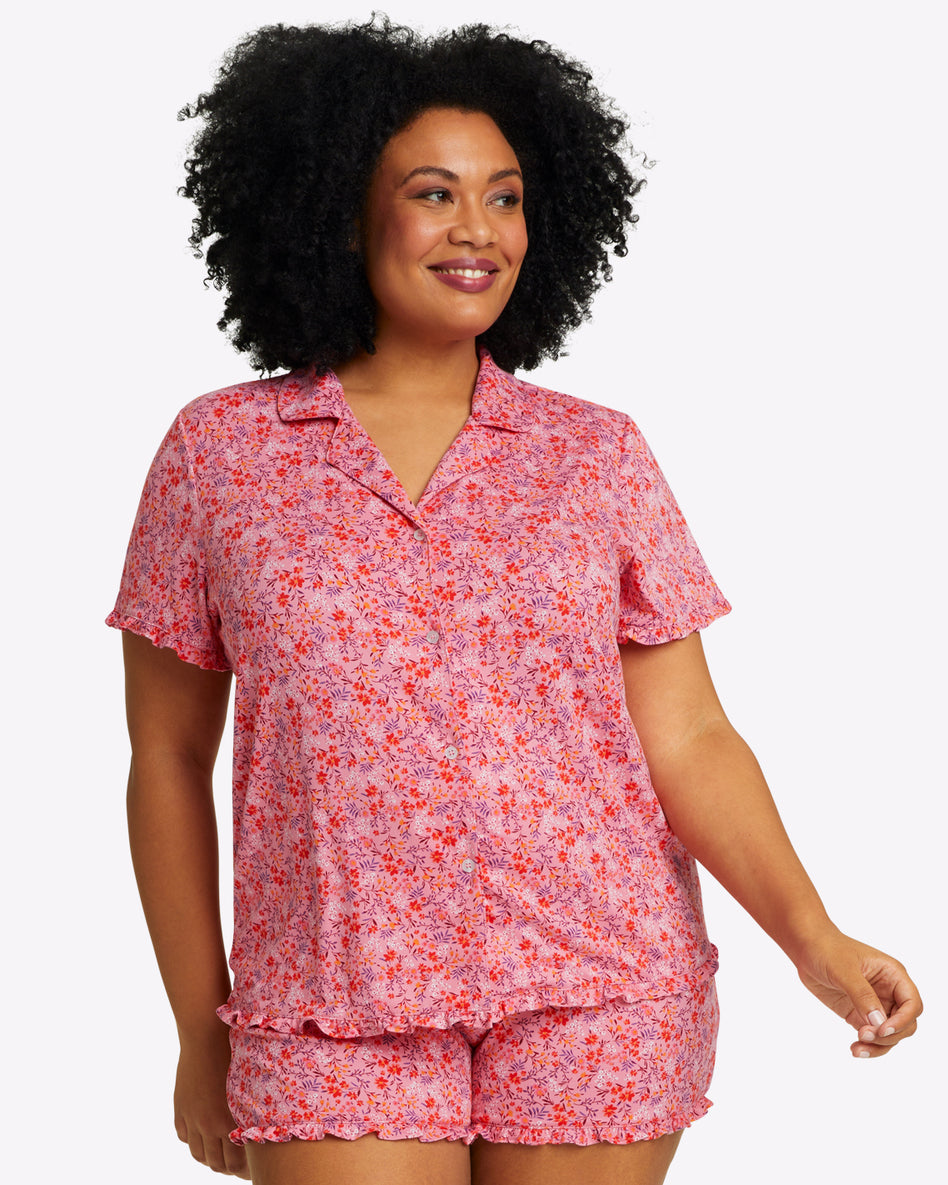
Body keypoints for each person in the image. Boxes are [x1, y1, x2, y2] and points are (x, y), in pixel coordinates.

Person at [106, 18, 922, 1185]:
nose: (477, 230)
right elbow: (168, 758)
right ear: (343, 212)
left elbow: (689, 735)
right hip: (331, 1001)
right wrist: (199, 1030)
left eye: (505, 197)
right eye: (434, 195)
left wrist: (814, 939)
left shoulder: (596, 455)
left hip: (603, 984)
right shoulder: (221, 453)